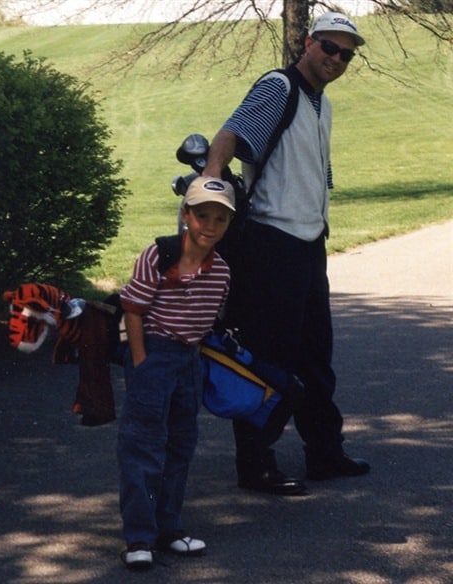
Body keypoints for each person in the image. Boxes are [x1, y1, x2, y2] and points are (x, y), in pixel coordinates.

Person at [203, 11, 370, 496]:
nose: (337, 59)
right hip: (271, 244)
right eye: (329, 48)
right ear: (307, 42)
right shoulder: (280, 87)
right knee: (269, 357)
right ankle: (254, 463)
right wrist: (211, 182)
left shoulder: (323, 104)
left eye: (346, 53)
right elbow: (230, 136)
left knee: (317, 356)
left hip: (307, 244)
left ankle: (324, 452)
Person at [116, 176, 235, 570]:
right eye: (202, 215)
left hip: (189, 360)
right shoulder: (158, 256)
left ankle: (169, 527)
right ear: (186, 215)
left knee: (181, 443)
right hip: (153, 354)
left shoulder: (220, 272)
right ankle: (139, 537)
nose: (209, 226)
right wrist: (140, 362)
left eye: (220, 219)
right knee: (143, 444)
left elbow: (207, 325)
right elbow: (133, 310)